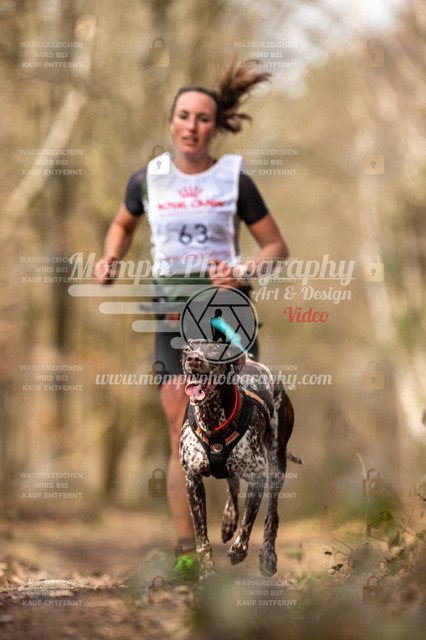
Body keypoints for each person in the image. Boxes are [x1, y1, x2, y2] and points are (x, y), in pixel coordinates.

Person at [94, 58, 290, 581]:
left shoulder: (234, 180)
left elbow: (276, 246)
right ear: (171, 122)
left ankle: (237, 526)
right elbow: (122, 225)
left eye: (203, 118)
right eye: (184, 116)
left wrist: (243, 270)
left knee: (240, 426)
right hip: (172, 316)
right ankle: (188, 551)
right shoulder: (147, 179)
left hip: (227, 318)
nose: (192, 126)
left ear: (215, 126)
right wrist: (110, 257)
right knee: (184, 428)